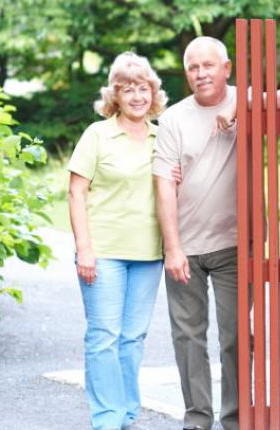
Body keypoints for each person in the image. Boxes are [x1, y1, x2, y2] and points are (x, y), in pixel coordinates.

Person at [67, 51, 168, 430]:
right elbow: (76, 193)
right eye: (128, 89)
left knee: (133, 338)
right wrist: (85, 249)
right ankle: (107, 417)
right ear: (115, 95)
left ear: (153, 92)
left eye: (143, 88)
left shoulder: (163, 135)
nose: (137, 96)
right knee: (104, 336)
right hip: (104, 252)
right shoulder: (97, 134)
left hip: (148, 253)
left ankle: (126, 411)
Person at [152, 36, 241, 430]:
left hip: (236, 245)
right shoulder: (173, 118)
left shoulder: (248, 99)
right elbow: (162, 185)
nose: (201, 73)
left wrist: (239, 106)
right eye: (193, 67)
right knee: (188, 339)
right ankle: (198, 420)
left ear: (226, 68)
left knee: (236, 338)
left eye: (208, 65)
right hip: (186, 246)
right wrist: (173, 248)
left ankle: (237, 419)